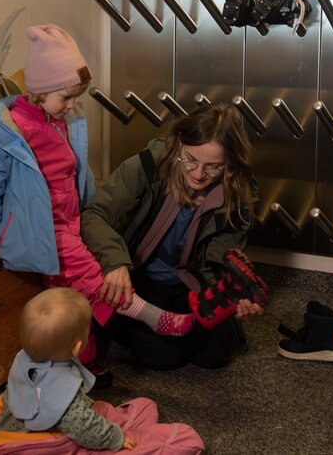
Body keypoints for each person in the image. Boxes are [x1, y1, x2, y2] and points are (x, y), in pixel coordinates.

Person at [0, 25, 222, 375]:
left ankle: (85, 366)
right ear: (39, 90)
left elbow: (74, 174)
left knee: (77, 299)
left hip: (71, 218)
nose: (73, 105)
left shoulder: (59, 120)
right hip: (43, 227)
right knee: (90, 275)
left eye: (75, 96)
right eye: (66, 97)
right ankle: (147, 314)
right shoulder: (6, 134)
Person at [81, 104, 267, 371]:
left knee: (214, 356)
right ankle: (121, 318)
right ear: (179, 143)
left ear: (230, 164)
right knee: (164, 357)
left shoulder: (239, 198)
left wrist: (227, 297)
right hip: (140, 276)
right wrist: (115, 261)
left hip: (187, 283)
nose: (198, 174)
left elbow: (215, 263)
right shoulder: (148, 164)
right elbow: (95, 214)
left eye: (213, 166)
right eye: (190, 159)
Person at [0, 287, 205, 453]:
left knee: (146, 405)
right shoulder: (65, 398)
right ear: (78, 347)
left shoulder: (25, 359)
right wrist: (116, 438)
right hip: (39, 444)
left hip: (15, 428)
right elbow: (84, 429)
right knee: (186, 437)